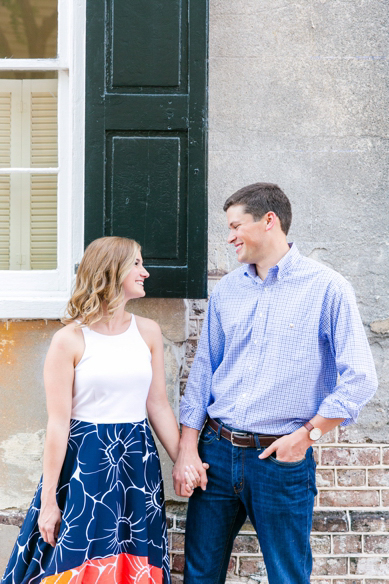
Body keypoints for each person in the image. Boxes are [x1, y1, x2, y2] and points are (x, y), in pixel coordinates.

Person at [173, 183, 378, 584]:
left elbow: (361, 378)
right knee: (199, 575)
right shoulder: (227, 290)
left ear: (269, 221)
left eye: (236, 226)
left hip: (279, 458)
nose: (229, 236)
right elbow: (203, 374)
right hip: (215, 454)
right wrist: (187, 450)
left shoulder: (327, 288)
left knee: (287, 576)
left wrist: (307, 436)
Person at [1, 236, 200, 584]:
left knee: (137, 559)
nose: (146, 273)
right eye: (137, 264)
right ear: (113, 270)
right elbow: (58, 425)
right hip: (85, 463)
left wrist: (185, 458)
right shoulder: (70, 339)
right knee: (79, 558)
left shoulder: (148, 332)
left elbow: (158, 405)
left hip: (137, 462)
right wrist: (49, 501)